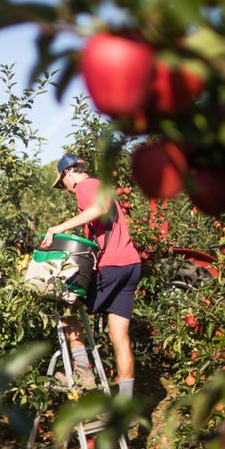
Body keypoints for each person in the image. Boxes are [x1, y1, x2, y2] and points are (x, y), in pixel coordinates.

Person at [42, 154, 141, 398]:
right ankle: (126, 403)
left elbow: (99, 209)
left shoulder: (85, 186)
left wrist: (58, 228)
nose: (65, 189)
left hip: (114, 265)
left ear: (67, 173)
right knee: (118, 335)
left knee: (66, 306)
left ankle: (83, 373)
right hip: (131, 265)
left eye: (62, 182)